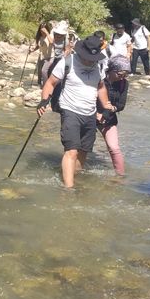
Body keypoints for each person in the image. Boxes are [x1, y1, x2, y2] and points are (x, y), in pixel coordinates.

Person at [38, 35, 116, 188]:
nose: (90, 61)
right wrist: (44, 100)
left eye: (93, 58)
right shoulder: (67, 62)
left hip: (90, 114)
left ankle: (71, 177)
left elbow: (100, 87)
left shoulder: (98, 66)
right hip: (70, 111)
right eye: (88, 58)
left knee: (83, 151)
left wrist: (106, 105)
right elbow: (51, 83)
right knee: (71, 151)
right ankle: (69, 190)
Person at [97, 55, 130, 176]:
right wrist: (96, 114)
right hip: (90, 115)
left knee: (114, 148)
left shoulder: (123, 83)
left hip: (109, 118)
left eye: (125, 75)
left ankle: (120, 177)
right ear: (111, 70)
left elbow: (121, 105)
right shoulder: (99, 79)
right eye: (120, 74)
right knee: (81, 147)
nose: (122, 78)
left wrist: (109, 111)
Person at [41, 21, 69, 85]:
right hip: (51, 57)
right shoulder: (52, 36)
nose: (59, 36)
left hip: (59, 58)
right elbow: (48, 42)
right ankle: (46, 85)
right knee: (47, 71)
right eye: (57, 34)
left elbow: (67, 50)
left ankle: (56, 86)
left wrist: (65, 57)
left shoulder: (65, 39)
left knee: (56, 74)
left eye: (61, 35)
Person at [30, 22, 53, 87]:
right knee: (39, 71)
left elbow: (51, 42)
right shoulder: (40, 37)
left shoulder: (50, 36)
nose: (42, 30)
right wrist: (32, 50)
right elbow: (39, 46)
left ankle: (46, 86)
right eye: (41, 29)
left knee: (44, 71)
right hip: (41, 56)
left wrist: (46, 33)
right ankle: (39, 84)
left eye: (44, 29)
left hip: (49, 57)